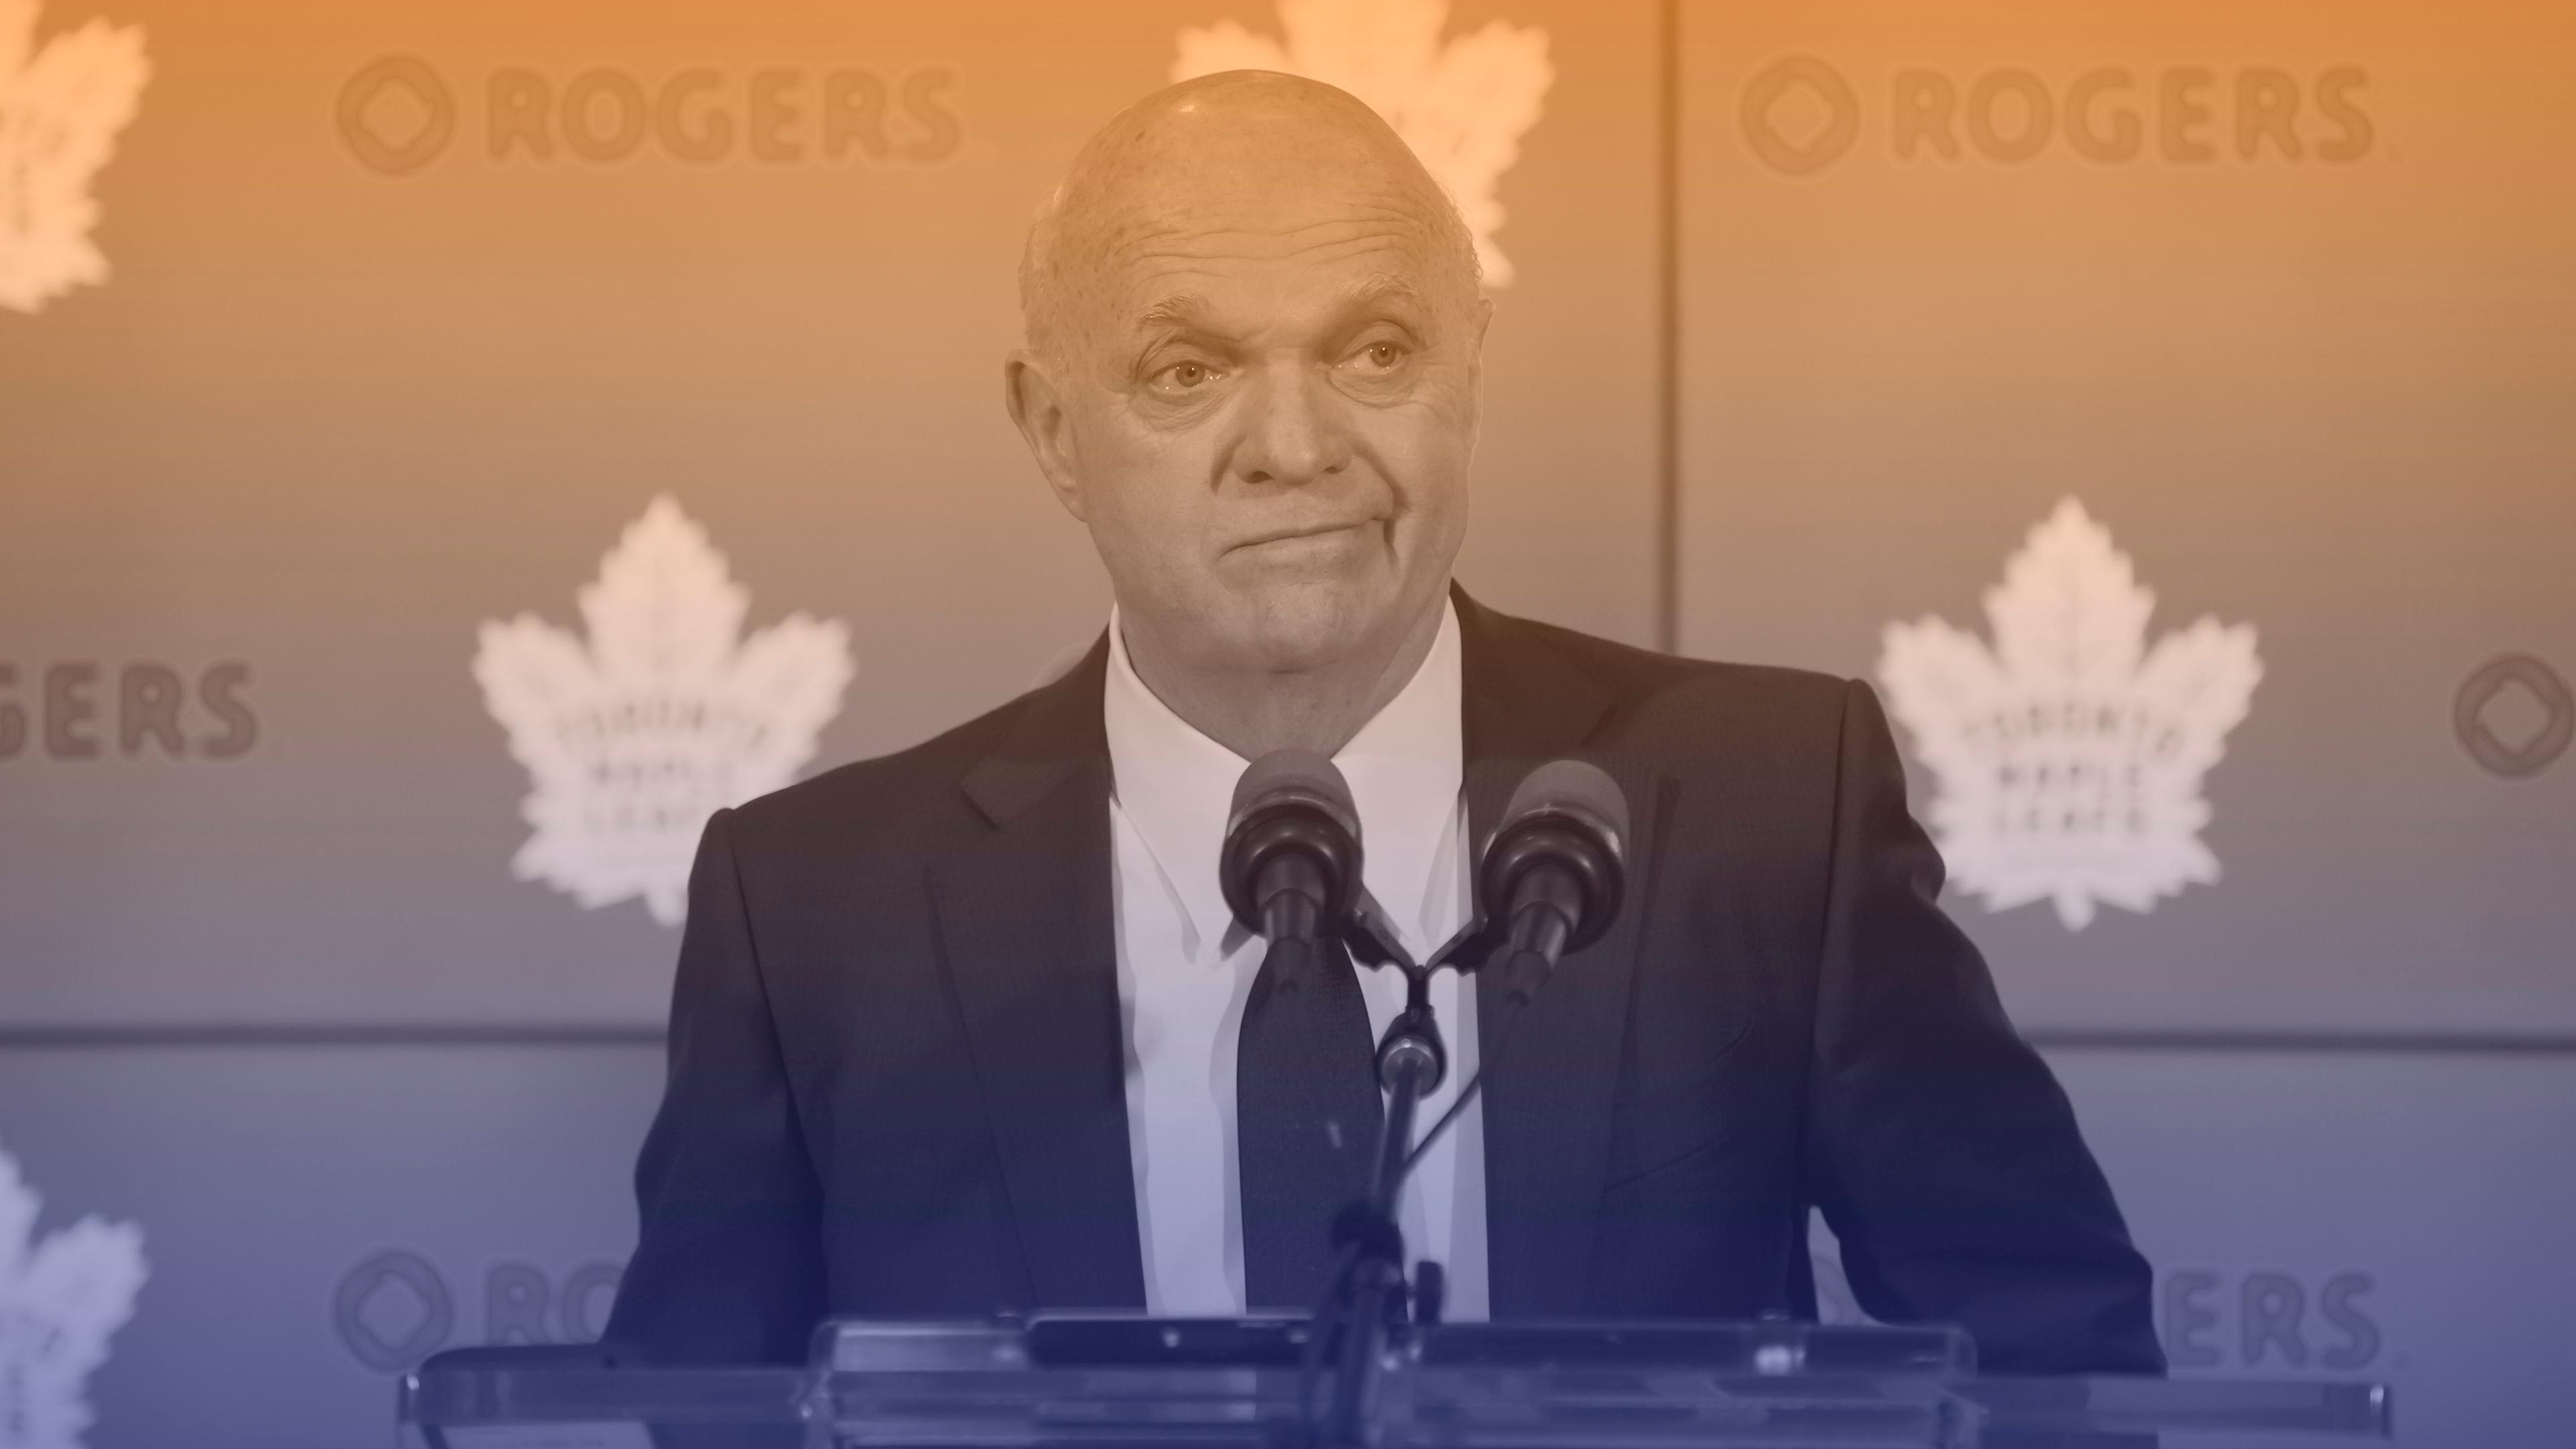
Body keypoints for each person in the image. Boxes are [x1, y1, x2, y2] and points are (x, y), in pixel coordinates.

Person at [602, 69, 2163, 1375]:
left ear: (1469, 368)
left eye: (1374, 350)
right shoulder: (816, 906)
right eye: (1188, 367)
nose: (1294, 444)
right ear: (1054, 430)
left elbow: (2052, 1343)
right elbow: (698, 1406)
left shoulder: (1768, 812)